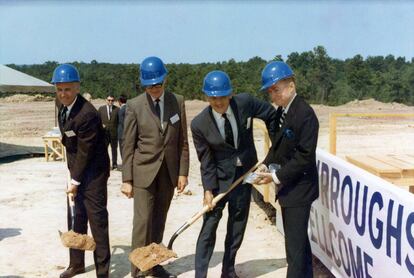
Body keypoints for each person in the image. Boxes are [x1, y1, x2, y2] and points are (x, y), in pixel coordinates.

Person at [191, 70, 277, 278]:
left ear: (230, 94)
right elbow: (206, 161)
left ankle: (228, 271)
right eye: (213, 98)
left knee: (237, 226)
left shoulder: (245, 103)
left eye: (222, 97)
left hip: (245, 175)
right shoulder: (199, 124)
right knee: (208, 228)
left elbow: (272, 115)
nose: (218, 102)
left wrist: (274, 154)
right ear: (206, 97)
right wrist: (208, 190)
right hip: (219, 180)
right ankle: (200, 274)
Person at [121, 56, 189, 278]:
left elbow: (183, 141)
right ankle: (138, 270)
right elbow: (128, 145)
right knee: (142, 223)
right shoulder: (134, 105)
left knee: (159, 220)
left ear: (165, 80)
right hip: (143, 173)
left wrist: (182, 172)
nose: (154, 89)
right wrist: (127, 179)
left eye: (158, 84)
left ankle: (155, 263)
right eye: (149, 85)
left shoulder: (177, 101)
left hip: (168, 174)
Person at [256, 61, 319, 278]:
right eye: (270, 92)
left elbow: (304, 156)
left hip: (299, 190)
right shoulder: (284, 111)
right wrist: (265, 163)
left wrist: (275, 176)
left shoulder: (305, 114)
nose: (273, 96)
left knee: (294, 249)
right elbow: (279, 146)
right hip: (289, 188)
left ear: (291, 86)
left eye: (276, 90)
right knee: (298, 242)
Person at [52, 64, 110, 278]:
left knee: (97, 222)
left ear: (77, 88)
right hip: (75, 168)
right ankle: (76, 264)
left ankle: (103, 272)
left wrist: (74, 182)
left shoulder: (88, 114)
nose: (63, 94)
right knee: (76, 218)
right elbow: (69, 136)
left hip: (94, 174)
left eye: (67, 89)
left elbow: (85, 152)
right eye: (59, 89)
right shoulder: (60, 104)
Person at [98, 94, 119, 170]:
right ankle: (105, 164)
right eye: (109, 100)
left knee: (114, 150)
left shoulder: (117, 109)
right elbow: (97, 121)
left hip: (114, 134)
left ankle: (114, 164)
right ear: (106, 100)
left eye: (112, 100)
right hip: (104, 134)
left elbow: (119, 122)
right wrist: (101, 126)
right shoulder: (101, 109)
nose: (110, 102)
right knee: (104, 150)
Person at [117, 94, 127, 160]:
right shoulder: (129, 107)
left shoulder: (121, 110)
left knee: (122, 150)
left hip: (122, 134)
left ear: (119, 101)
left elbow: (121, 121)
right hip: (128, 133)